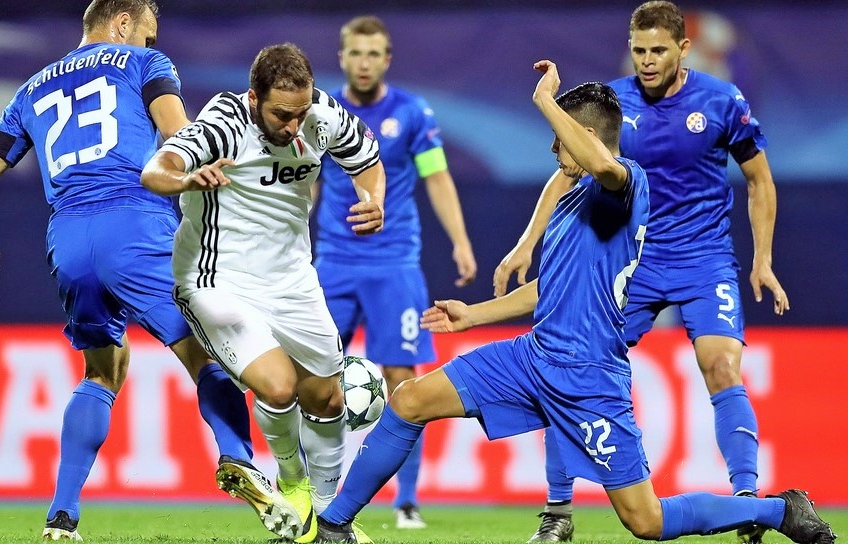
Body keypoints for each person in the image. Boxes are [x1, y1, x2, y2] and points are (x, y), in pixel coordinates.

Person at [310, 60, 836, 544]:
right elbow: (547, 287)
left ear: (583, 136)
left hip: (590, 378)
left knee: (646, 521)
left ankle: (777, 511)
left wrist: (546, 103)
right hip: (532, 358)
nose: (551, 152)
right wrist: (474, 315)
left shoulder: (629, 186)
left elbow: (605, 167)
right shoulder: (571, 202)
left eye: (559, 139)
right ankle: (334, 524)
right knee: (409, 400)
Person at [0, 1, 284, 541]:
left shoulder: (30, 90)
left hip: (68, 243)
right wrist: (202, 172)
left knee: (101, 372)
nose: (151, 45)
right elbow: (181, 136)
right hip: (135, 224)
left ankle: (61, 518)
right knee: (208, 351)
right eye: (148, 34)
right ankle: (239, 460)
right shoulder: (145, 66)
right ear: (124, 23)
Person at [493, 3, 790, 542]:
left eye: (658, 50)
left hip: (704, 258)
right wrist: (525, 243)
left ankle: (747, 501)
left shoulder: (723, 101)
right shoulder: (612, 103)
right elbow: (568, 172)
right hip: (633, 260)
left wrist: (763, 259)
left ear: (683, 49)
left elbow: (760, 180)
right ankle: (557, 513)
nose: (647, 61)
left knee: (722, 366)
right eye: (639, 50)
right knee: (570, 362)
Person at [140, 43, 385, 544]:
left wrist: (373, 199)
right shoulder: (224, 122)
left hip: (293, 280)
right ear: (254, 98)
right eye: (281, 114)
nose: (294, 126)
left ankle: (325, 516)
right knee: (278, 387)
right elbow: (154, 171)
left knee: (327, 397)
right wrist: (188, 177)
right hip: (216, 280)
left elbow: (368, 161)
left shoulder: (321, 115)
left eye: (300, 113)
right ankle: (292, 486)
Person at [313, 15, 477, 530]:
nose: (364, 62)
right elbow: (307, 184)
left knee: (404, 380)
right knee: (313, 376)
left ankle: (405, 499)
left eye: (374, 53)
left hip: (394, 263)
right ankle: (315, 489)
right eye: (355, 53)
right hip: (333, 262)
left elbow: (437, 178)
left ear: (387, 59)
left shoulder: (411, 113)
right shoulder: (320, 112)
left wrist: (461, 241)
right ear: (342, 58)